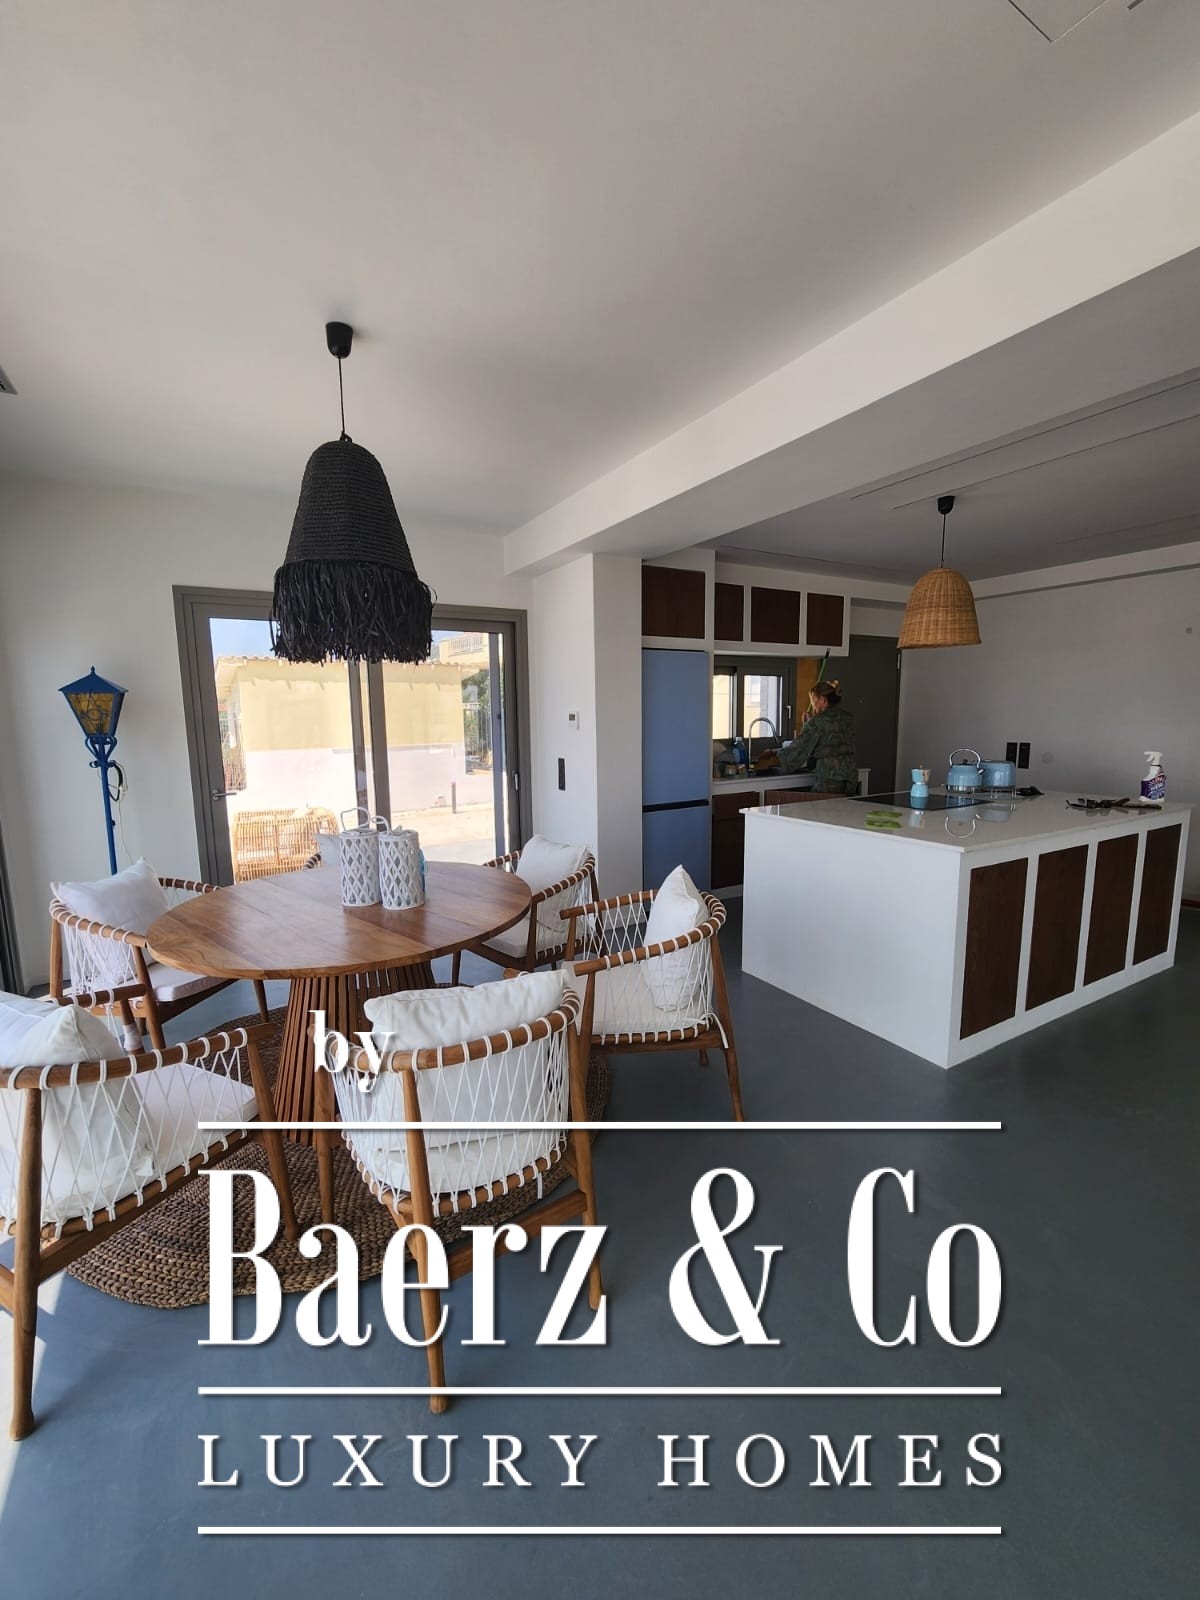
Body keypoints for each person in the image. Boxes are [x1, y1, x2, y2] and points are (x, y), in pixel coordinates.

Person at [778, 679, 857, 793]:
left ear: (823, 700)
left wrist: (776, 754)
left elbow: (800, 748)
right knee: (846, 805)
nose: (813, 705)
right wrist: (808, 723)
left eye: (813, 701)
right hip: (850, 775)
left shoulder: (817, 722)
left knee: (824, 805)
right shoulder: (847, 717)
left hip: (830, 776)